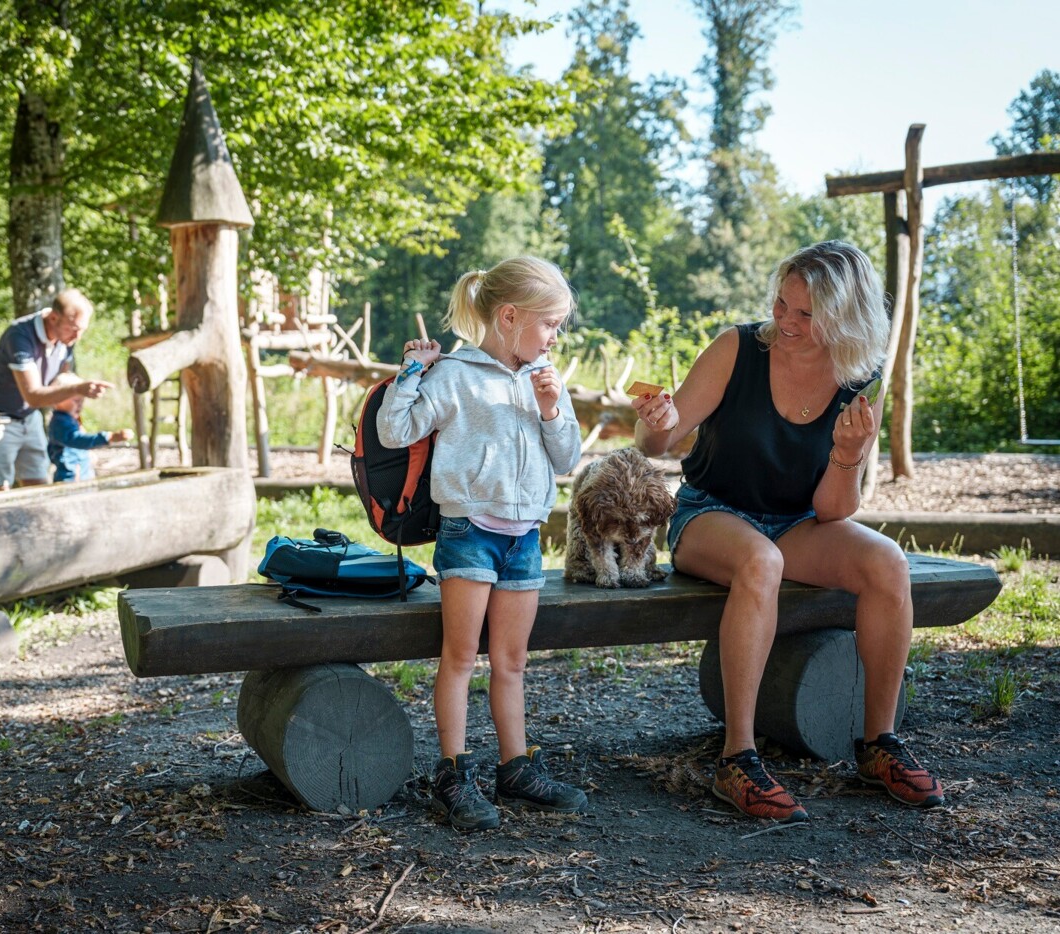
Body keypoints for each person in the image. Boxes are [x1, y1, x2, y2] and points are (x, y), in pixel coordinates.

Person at [633, 240, 944, 823]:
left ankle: (879, 744)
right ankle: (737, 760)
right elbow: (660, 442)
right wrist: (656, 424)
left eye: (805, 314)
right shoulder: (737, 348)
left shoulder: (861, 376)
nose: (785, 322)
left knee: (887, 563)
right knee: (761, 563)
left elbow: (832, 511)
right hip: (711, 514)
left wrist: (850, 453)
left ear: (843, 318)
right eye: (782, 305)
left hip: (798, 521)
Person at [378, 256, 588, 831]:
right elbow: (394, 432)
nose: (554, 337)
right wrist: (411, 374)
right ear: (510, 317)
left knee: (512, 661)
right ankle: (452, 773)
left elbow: (567, 459)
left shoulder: (544, 378)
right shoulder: (455, 376)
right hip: (468, 532)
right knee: (461, 657)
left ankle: (515, 768)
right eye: (549, 324)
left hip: (524, 538)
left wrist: (551, 411)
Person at [0, 289, 113, 492]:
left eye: (82, 330)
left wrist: (73, 418)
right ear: (54, 318)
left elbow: (60, 382)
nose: (77, 336)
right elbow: (34, 396)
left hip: (29, 416)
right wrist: (79, 388)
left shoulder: (66, 340)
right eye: (73, 329)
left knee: (38, 486)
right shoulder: (19, 336)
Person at [46, 373, 131, 482]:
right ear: (57, 400)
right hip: (70, 477)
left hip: (82, 474)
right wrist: (108, 437)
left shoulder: (70, 419)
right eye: (76, 401)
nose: (80, 405)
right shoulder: (60, 423)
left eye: (82, 400)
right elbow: (77, 440)